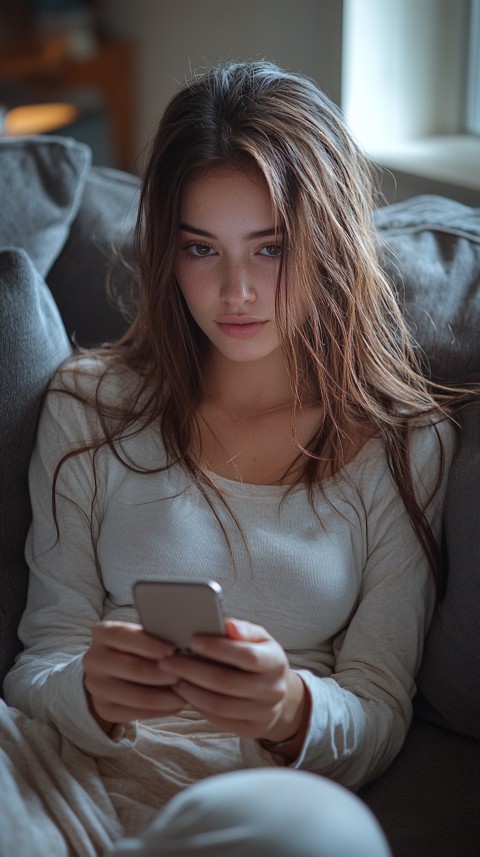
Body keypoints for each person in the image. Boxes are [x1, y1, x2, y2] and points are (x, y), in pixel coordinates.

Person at [3, 59, 458, 857]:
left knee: (332, 835)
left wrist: (288, 709)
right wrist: (90, 692)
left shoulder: (402, 443)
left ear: (329, 244)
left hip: (251, 806)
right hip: (56, 782)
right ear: (166, 253)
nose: (236, 291)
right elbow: (42, 656)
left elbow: (378, 706)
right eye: (202, 250)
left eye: (271, 248)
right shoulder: (90, 404)